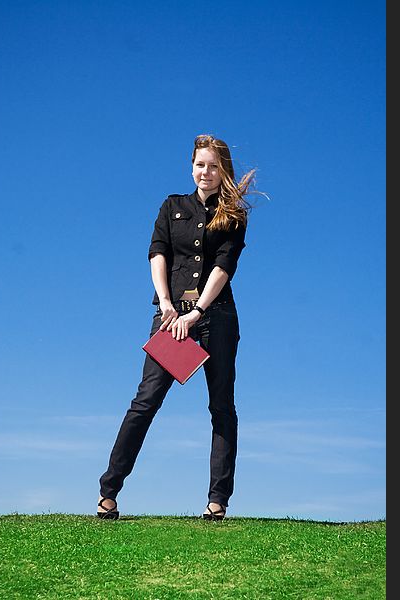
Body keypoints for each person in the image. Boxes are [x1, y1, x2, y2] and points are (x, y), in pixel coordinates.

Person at [97, 134, 256, 521]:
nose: (206, 172)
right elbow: (158, 252)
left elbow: (224, 265)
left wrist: (197, 312)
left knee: (221, 407)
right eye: (201, 164)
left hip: (214, 318)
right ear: (192, 167)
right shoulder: (172, 206)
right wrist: (168, 305)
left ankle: (217, 502)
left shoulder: (234, 214)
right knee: (145, 401)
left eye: (214, 166)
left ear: (224, 171)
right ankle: (108, 492)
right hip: (169, 318)